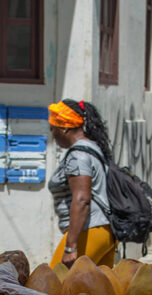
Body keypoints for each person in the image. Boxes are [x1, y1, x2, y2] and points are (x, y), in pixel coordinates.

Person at [47, 99, 116, 268]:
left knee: (51, 285)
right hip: (105, 231)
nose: (52, 134)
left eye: (53, 128)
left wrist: (71, 246)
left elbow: (82, 199)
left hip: (90, 230)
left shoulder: (78, 156)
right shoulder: (93, 148)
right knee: (95, 291)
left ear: (64, 127)